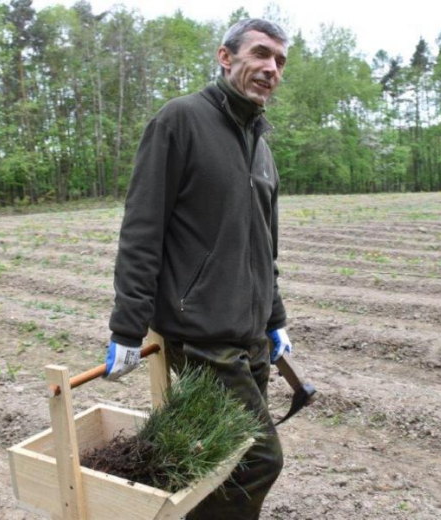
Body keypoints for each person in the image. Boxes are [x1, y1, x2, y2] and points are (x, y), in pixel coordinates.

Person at [103, 18, 293, 519]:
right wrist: (127, 327)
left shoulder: (261, 143)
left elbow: (262, 245)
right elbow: (143, 228)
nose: (271, 68)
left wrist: (274, 318)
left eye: (279, 60)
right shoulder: (180, 121)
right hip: (202, 336)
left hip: (249, 337)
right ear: (225, 57)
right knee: (257, 460)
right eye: (260, 54)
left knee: (221, 462)